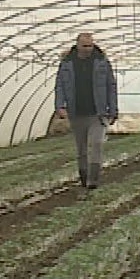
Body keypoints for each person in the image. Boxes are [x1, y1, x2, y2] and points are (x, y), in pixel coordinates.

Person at [54, 32, 119, 190]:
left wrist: (113, 109)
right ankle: (84, 177)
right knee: (81, 148)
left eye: (90, 45)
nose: (88, 49)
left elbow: (111, 85)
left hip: (98, 112)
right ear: (77, 45)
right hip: (76, 111)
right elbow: (60, 85)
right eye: (84, 46)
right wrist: (59, 106)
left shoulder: (102, 62)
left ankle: (93, 180)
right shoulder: (67, 63)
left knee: (96, 143)